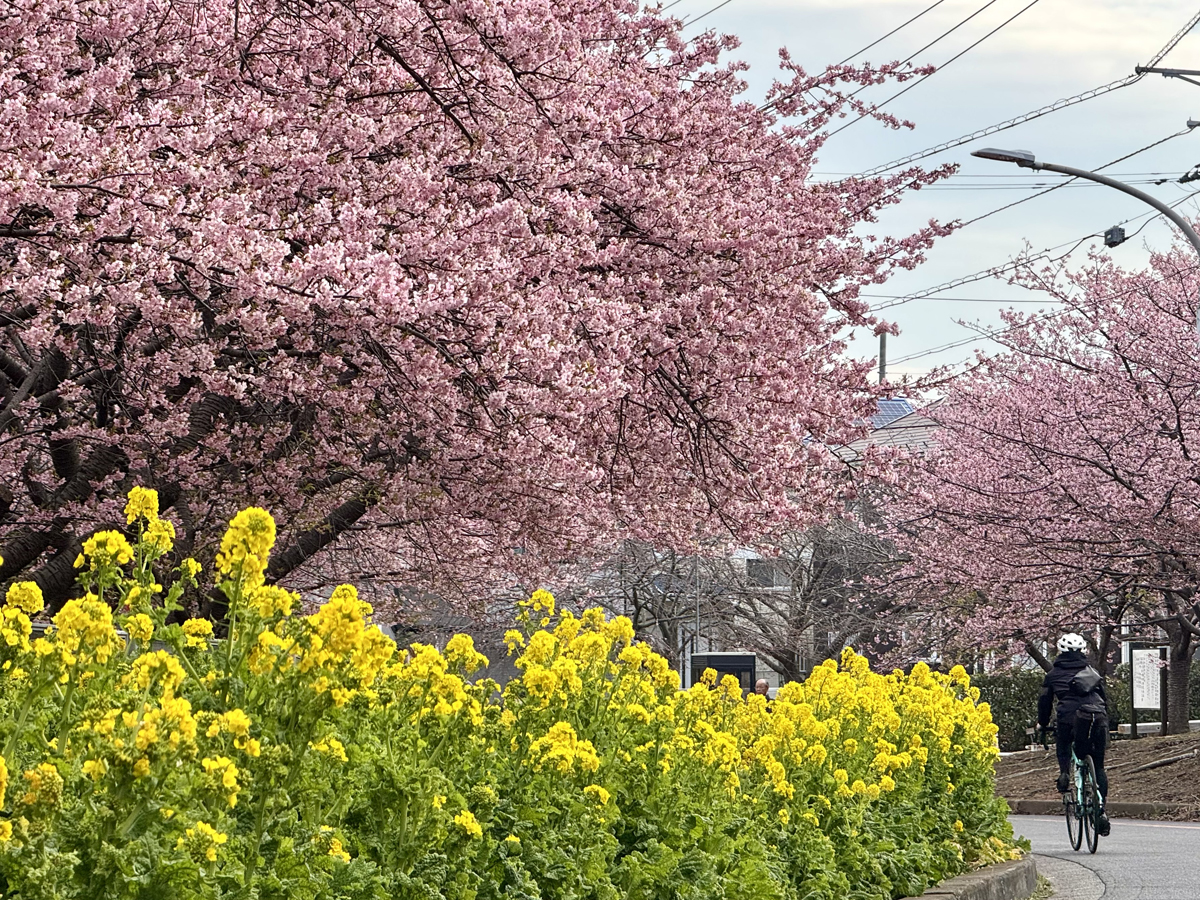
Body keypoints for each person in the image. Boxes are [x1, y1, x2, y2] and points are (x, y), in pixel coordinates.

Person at [1037, 633, 1111, 836]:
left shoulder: (1053, 674)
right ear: (1082, 651)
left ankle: (1064, 773)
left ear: (1061, 651)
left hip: (1068, 719)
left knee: (1063, 743)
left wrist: (1042, 724)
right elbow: (1104, 698)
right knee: (1099, 765)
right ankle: (1101, 809)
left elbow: (1044, 702)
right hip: (1097, 717)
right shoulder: (1092, 671)